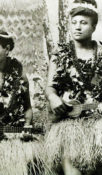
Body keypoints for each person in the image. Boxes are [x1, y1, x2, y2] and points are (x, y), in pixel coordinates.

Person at [45, 0, 102, 174]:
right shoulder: (59, 54)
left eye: (83, 23)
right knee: (72, 169)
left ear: (94, 27)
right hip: (70, 121)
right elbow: (50, 88)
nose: (77, 27)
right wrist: (54, 98)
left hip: (100, 119)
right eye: (74, 23)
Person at [0, 30, 42, 175]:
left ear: (7, 49)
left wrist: (27, 125)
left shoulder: (19, 74)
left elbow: (27, 107)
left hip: (12, 135)